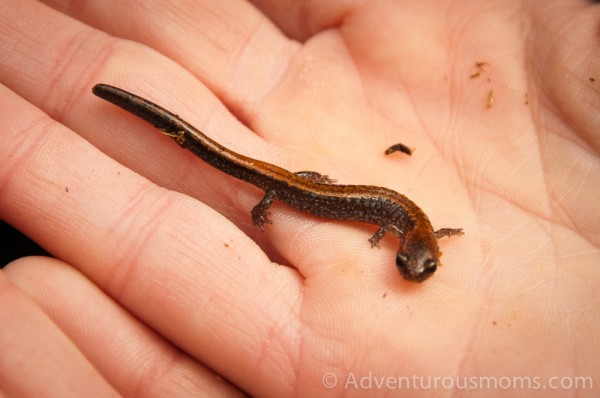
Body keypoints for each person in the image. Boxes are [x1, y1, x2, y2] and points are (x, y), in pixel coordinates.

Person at [0, 1, 598, 396]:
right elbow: (393, 222)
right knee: (225, 161)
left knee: (267, 179)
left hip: (299, 184)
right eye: (411, 263)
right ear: (412, 247)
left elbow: (400, 225)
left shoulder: (414, 228)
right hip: (288, 185)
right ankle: (133, 105)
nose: (411, 270)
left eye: (417, 266)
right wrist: (274, 207)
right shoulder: (408, 223)